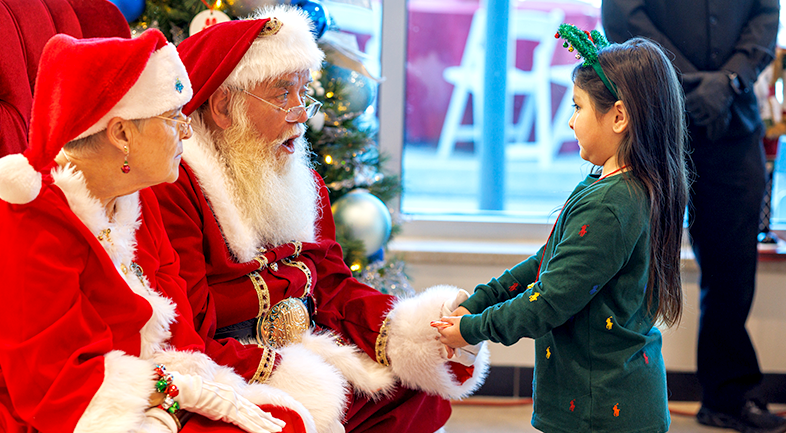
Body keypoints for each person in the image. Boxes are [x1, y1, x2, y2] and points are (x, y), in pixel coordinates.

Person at [150, 5, 489, 433]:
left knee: (416, 392)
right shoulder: (176, 186)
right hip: (229, 369)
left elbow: (330, 286)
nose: (301, 112)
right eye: (282, 94)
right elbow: (185, 336)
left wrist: (408, 331)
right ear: (223, 107)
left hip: (305, 350)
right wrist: (289, 375)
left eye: (303, 92)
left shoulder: (297, 178)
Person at [0, 29, 316, 433]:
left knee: (289, 418)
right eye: (173, 117)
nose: (187, 130)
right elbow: (59, 390)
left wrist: (184, 396)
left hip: (149, 395)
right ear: (122, 133)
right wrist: (180, 397)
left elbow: (181, 338)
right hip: (65, 415)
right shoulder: (27, 223)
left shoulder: (137, 200)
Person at [437, 28, 689, 433]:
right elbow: (548, 261)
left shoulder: (612, 203)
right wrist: (483, 300)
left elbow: (549, 301)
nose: (571, 122)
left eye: (578, 107)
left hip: (601, 409)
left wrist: (471, 329)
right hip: (603, 399)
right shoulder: (611, 184)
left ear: (619, 117)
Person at [601, 2, 786, 432]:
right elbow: (623, 17)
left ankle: (727, 397)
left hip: (734, 120)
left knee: (732, 272)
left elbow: (764, 13)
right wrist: (685, 82)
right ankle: (609, 397)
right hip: (650, 121)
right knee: (622, 262)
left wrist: (729, 80)